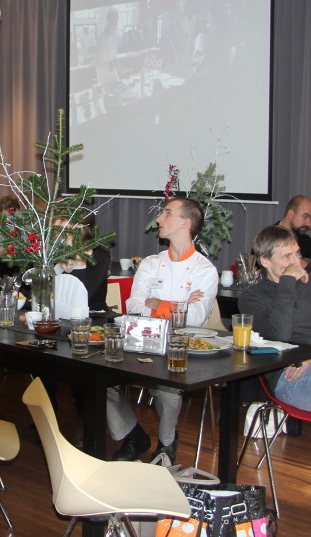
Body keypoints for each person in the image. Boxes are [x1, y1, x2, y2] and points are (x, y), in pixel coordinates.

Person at [108, 197, 218, 463]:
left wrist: (156, 303)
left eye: (167, 213)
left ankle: (167, 443)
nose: (159, 218)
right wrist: (178, 306)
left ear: (186, 223)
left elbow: (195, 319)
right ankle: (133, 435)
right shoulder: (150, 263)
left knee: (167, 389)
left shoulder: (205, 270)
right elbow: (133, 306)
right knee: (102, 379)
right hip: (141, 341)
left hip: (179, 349)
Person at [238, 225, 311, 411]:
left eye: (297, 253)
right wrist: (287, 283)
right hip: (287, 376)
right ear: (265, 260)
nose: (295, 261)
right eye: (286, 256)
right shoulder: (251, 297)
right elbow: (280, 333)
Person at [57, 211, 112, 312]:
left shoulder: (99, 253)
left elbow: (82, 298)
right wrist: (58, 267)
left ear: (79, 226)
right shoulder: (52, 249)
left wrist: (79, 264)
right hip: (54, 314)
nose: (55, 224)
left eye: (62, 220)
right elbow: (36, 293)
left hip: (92, 316)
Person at [277, 195, 311, 259]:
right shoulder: (273, 236)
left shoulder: (303, 239)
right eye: (305, 217)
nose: (308, 223)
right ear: (291, 214)